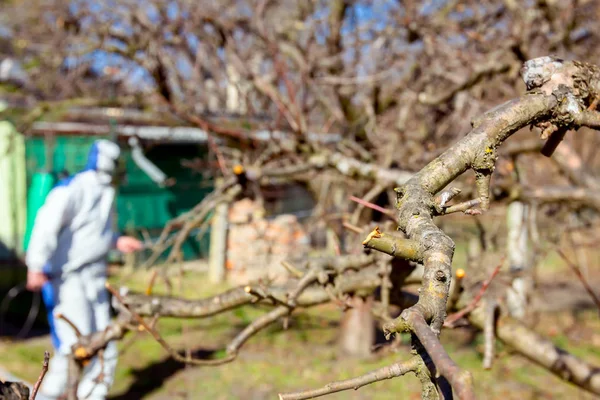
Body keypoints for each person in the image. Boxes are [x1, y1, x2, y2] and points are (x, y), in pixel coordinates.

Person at [25, 139, 143, 399]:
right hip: (67, 280)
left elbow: (91, 232)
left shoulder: (106, 192)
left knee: (105, 344)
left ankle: (91, 395)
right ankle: (52, 394)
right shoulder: (72, 189)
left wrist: (116, 240)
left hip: (96, 277)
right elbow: (46, 226)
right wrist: (35, 265)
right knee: (73, 346)